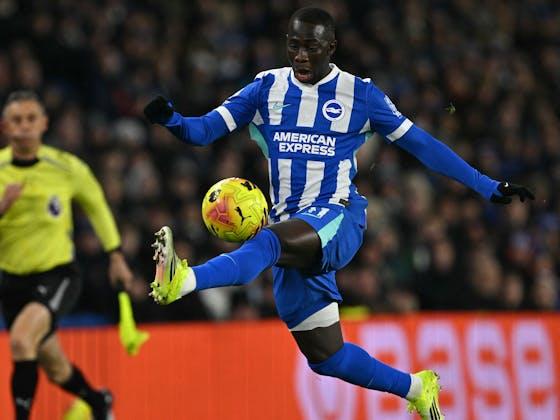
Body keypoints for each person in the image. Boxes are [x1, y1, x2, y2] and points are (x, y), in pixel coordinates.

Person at [143, 7, 534, 419]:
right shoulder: (266, 89)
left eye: (311, 47)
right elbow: (204, 130)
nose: (301, 55)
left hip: (339, 217)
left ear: (331, 47)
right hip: (294, 229)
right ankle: (417, 387)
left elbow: (422, 144)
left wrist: (487, 185)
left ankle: (185, 279)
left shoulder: (360, 95)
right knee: (327, 357)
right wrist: (171, 119)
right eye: (294, 45)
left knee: (267, 243)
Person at [0, 90, 133, 420]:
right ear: (5, 127)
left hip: (57, 274)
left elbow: (97, 206)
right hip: (12, 281)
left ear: (44, 123)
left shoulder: (65, 167)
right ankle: (99, 402)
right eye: (17, 120)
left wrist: (115, 254)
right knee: (55, 367)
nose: (24, 126)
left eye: (31, 118)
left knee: (21, 341)